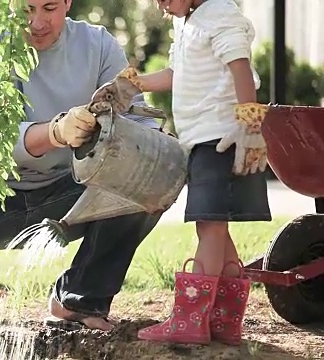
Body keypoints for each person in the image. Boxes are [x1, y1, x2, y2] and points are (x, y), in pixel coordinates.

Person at [0, 0, 167, 332]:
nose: (37, 23)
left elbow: (134, 116)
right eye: (26, 10)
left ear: (67, 2)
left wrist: (156, 149)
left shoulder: (98, 46)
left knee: (148, 178)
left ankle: (79, 299)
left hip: (69, 187)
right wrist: (55, 131)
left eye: (49, 8)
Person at [92, 0, 270, 346]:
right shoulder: (189, 20)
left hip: (222, 137)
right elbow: (178, 72)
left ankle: (189, 320)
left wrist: (251, 124)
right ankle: (223, 321)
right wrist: (134, 85)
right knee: (216, 226)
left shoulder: (219, 15)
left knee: (210, 226)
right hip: (202, 139)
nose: (161, 4)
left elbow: (241, 68)